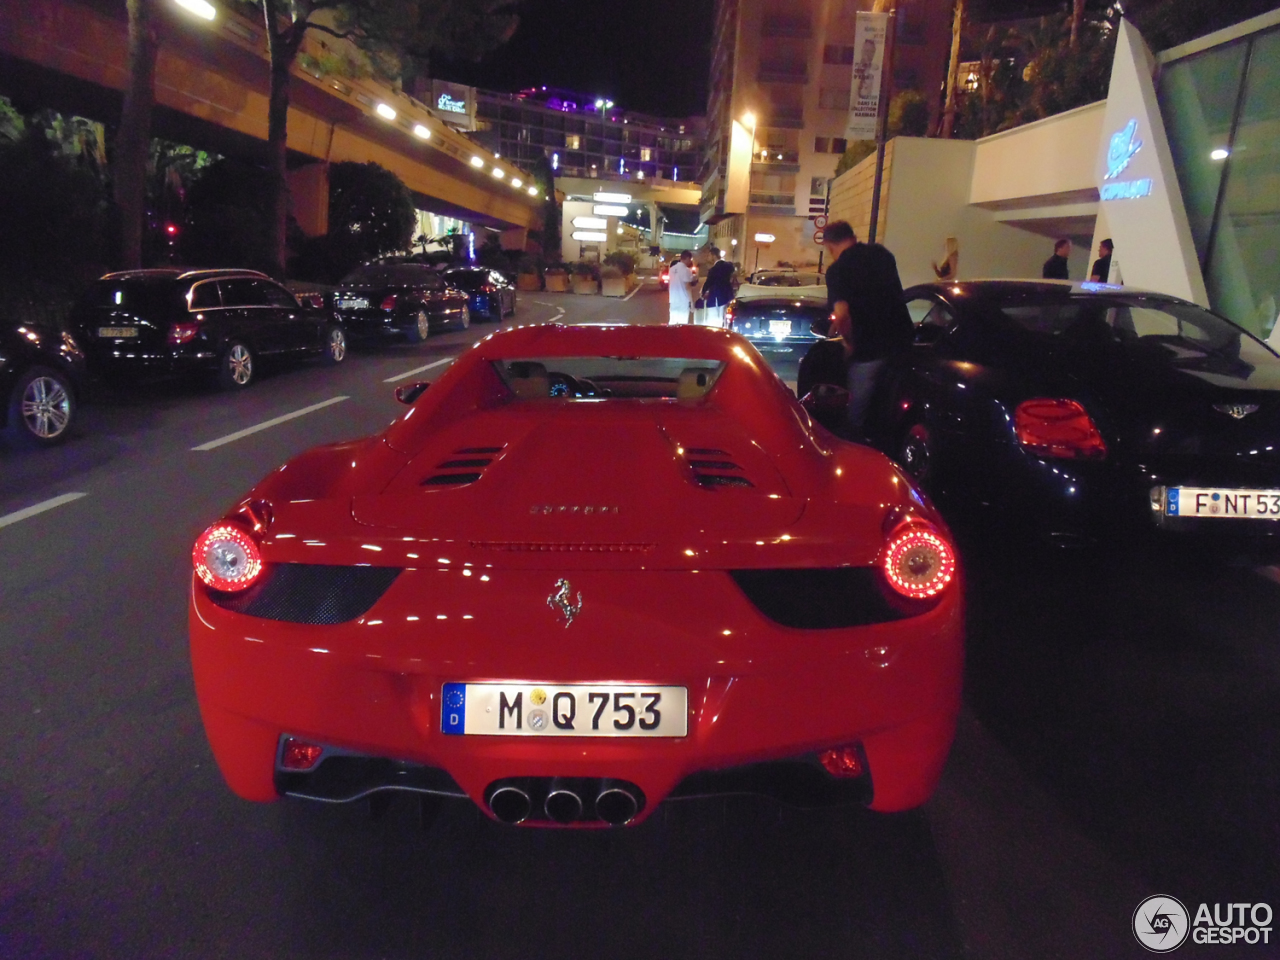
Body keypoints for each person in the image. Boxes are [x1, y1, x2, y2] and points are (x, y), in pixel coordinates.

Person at [797, 220, 913, 440]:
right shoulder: (882, 255)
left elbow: (842, 314)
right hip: (902, 343)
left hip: (869, 350)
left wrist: (849, 342)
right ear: (852, 236)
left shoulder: (837, 270)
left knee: (855, 412)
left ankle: (854, 449)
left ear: (829, 245)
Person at [700, 247, 735, 326]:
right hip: (727, 296)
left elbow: (708, 283)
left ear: (714, 256)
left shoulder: (713, 269)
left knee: (715, 319)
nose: (708, 258)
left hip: (716, 296)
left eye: (709, 255)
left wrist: (703, 293)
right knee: (725, 317)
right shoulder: (729, 266)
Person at [667, 250, 696, 325]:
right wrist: (691, 302)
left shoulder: (671, 269)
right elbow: (687, 287)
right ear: (687, 258)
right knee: (682, 325)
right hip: (683, 301)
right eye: (690, 259)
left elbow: (670, 284)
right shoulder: (686, 270)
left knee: (672, 325)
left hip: (673, 301)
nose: (690, 262)